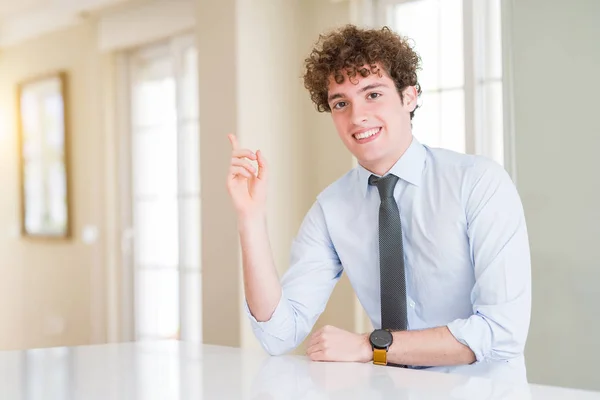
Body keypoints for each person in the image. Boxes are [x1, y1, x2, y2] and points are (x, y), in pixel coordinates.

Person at [225, 25, 531, 370]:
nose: (357, 117)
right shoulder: (332, 207)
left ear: (409, 97)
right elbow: (277, 335)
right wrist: (250, 217)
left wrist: (371, 347)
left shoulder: (478, 182)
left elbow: (503, 332)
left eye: (373, 94)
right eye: (341, 103)